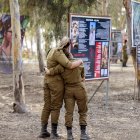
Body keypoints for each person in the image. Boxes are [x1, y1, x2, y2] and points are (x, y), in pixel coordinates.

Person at [39, 36, 83, 139]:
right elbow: (69, 65)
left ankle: (43, 131)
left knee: (47, 105)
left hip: (47, 80)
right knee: (55, 107)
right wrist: (80, 61)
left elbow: (59, 64)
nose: (68, 48)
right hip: (55, 83)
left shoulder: (52, 50)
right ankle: (53, 133)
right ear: (66, 45)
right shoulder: (59, 53)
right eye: (68, 46)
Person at [45, 53, 90, 140]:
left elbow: (50, 72)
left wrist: (46, 69)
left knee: (69, 112)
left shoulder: (62, 66)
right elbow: (83, 78)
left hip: (68, 90)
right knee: (83, 111)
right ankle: (83, 134)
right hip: (80, 88)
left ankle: (69, 135)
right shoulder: (79, 64)